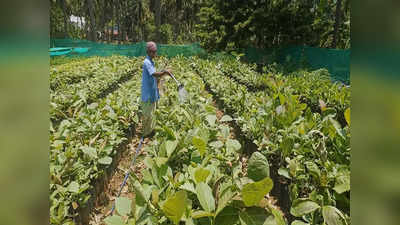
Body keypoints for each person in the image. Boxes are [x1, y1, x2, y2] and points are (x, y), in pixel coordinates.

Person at [140, 41, 171, 138]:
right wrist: (164, 73)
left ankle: (151, 131)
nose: (155, 54)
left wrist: (163, 72)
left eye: (155, 51)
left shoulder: (151, 62)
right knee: (147, 115)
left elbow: (155, 74)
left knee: (152, 113)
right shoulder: (147, 62)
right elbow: (154, 74)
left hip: (152, 92)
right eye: (153, 52)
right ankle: (145, 134)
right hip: (148, 93)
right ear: (148, 52)